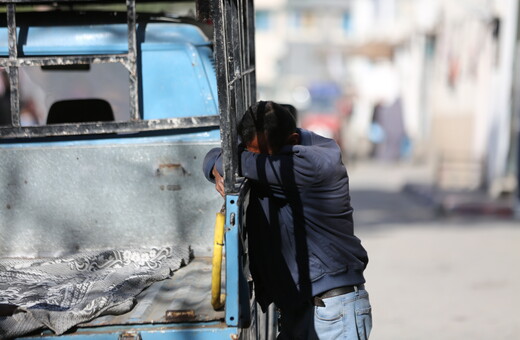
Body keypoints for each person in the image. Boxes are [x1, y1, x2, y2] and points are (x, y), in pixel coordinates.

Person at [203, 101, 372, 339]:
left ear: (292, 141)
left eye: (262, 157)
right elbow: (216, 157)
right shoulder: (291, 144)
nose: (256, 163)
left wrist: (223, 164)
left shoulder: (306, 166)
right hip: (306, 306)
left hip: (332, 312)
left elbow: (232, 161)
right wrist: (216, 166)